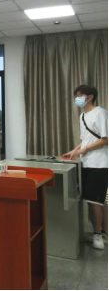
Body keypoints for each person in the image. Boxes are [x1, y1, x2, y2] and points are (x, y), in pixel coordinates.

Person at [63, 85, 108, 250]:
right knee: (95, 199)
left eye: (80, 95)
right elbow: (86, 139)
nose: (77, 98)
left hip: (99, 163)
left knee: (95, 201)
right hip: (87, 162)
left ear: (90, 97)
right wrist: (74, 151)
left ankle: (98, 235)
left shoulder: (100, 113)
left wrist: (85, 149)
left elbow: (105, 139)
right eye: (75, 95)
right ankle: (103, 233)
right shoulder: (83, 115)